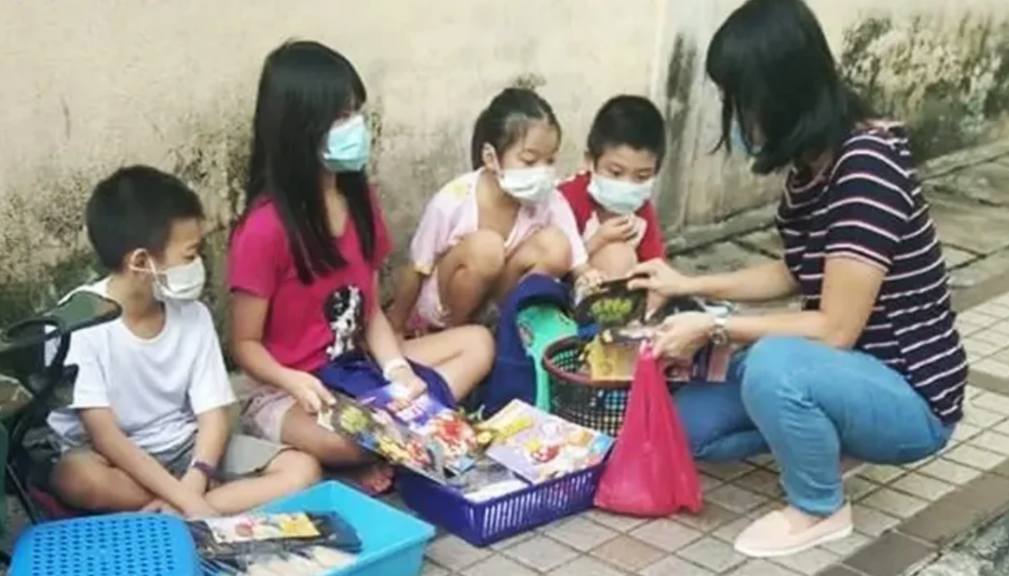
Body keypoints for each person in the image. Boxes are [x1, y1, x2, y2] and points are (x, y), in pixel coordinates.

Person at [631, 0, 966, 558]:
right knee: (689, 426)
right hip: (842, 370)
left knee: (773, 361)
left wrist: (716, 328)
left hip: (910, 394)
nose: (734, 114)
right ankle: (827, 433)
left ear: (776, 92)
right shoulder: (815, 165)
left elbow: (834, 328)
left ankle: (819, 506)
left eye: (738, 97)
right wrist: (686, 284)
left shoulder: (866, 167)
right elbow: (794, 270)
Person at [229, 41, 493, 494]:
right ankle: (365, 450)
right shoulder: (264, 228)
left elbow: (368, 308)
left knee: (479, 342)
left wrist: (396, 370)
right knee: (351, 443)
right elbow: (245, 345)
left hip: (357, 367)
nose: (355, 128)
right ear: (300, 129)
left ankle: (399, 429)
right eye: (340, 117)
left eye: (355, 113)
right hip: (290, 388)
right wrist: (291, 380)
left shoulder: (360, 200)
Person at [47, 166, 322, 517]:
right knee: (78, 479)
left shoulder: (193, 316)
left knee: (303, 469)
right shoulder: (80, 323)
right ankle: (196, 508)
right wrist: (186, 495)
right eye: (189, 256)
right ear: (141, 262)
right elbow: (106, 438)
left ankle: (168, 513)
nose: (198, 265)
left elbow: (212, 416)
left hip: (187, 451)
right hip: (115, 460)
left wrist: (197, 476)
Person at [388, 88, 602, 334]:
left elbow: (576, 260)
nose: (542, 171)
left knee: (556, 245)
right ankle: (455, 334)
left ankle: (507, 329)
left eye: (550, 161)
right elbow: (417, 267)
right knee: (486, 248)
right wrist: (396, 327)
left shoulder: (549, 200)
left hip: (498, 301)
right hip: (448, 307)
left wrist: (589, 280)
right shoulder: (453, 201)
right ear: (491, 158)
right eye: (530, 161)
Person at [558, 95, 668, 279]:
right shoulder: (567, 199)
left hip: (618, 293)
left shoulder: (642, 211)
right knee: (617, 257)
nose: (627, 185)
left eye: (642, 177)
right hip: (565, 290)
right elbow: (556, 265)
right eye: (616, 173)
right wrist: (598, 240)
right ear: (590, 161)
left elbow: (656, 266)